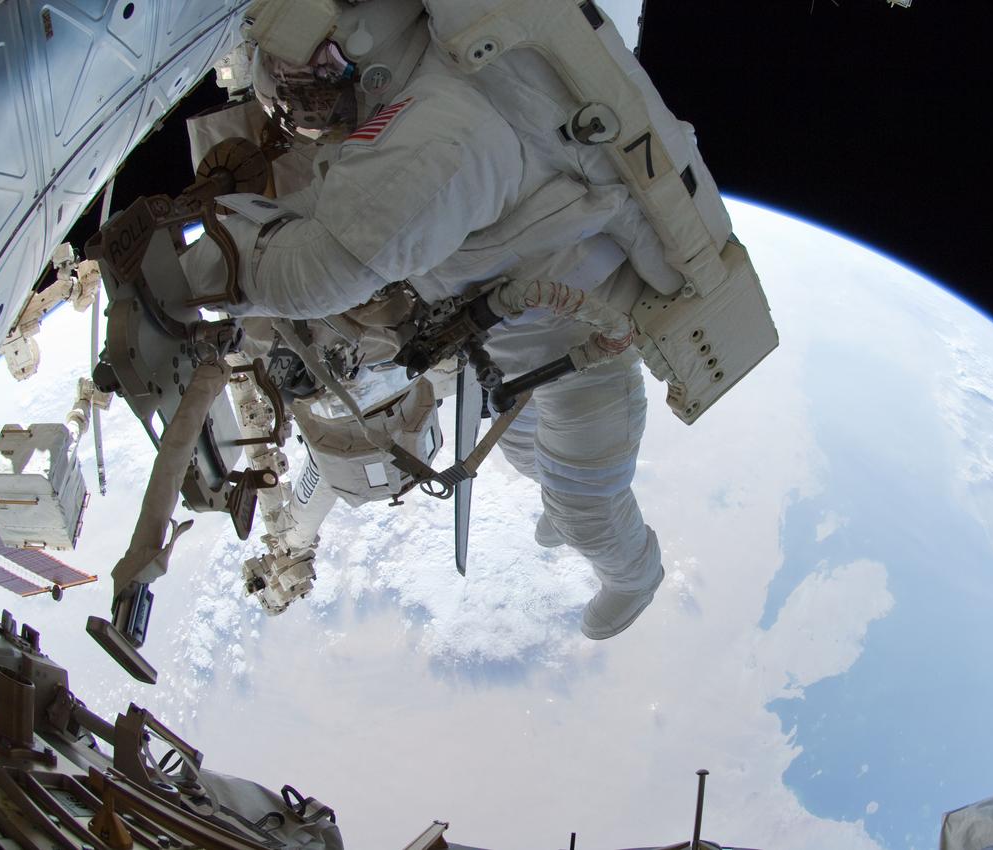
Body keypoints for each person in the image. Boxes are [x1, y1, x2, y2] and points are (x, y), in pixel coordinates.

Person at [182, 0, 735, 639]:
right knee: (523, 450)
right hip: (525, 342)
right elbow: (343, 206)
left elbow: (324, 265)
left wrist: (193, 273)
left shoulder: (448, 130)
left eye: (312, 94)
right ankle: (557, 500)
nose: (309, 115)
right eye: (292, 98)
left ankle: (632, 573)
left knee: (586, 499)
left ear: (365, 47)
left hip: (588, 358)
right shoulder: (426, 96)